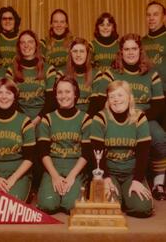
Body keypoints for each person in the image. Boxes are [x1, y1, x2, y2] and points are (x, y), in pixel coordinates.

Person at [97, 33, 166, 200]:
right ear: (121, 52)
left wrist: (137, 117)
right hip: (116, 118)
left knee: (159, 136)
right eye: (126, 49)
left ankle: (158, 182)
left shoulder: (151, 74)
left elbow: (159, 104)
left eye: (134, 48)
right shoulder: (111, 73)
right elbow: (100, 102)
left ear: (140, 51)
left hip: (144, 118)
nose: (130, 52)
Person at [90, 80, 153, 218]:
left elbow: (144, 153)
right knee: (108, 208)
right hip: (110, 173)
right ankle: (120, 199)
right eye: (112, 96)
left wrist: (137, 180)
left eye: (120, 95)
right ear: (108, 100)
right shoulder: (100, 118)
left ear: (129, 97)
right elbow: (96, 154)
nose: (116, 100)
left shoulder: (139, 117)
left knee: (142, 208)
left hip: (131, 173)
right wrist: (105, 178)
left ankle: (126, 198)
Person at [37, 76, 91, 214]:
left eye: (67, 92)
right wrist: (55, 176)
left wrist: (72, 176)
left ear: (75, 94)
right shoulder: (47, 119)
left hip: (75, 166)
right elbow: (43, 153)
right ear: (55, 95)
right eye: (60, 92)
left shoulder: (85, 119)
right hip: (53, 166)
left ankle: (70, 193)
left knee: (71, 206)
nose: (63, 96)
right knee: (48, 205)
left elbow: (86, 154)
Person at [0, 78, 35, 201]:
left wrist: (13, 179)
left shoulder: (24, 121)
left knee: (10, 203)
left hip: (18, 174)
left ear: (15, 96)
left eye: (8, 93)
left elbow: (29, 158)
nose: (4, 97)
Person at [6, 29, 57, 127]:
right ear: (18, 47)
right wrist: (24, 120)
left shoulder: (48, 69)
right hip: (19, 119)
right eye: (22, 42)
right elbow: (10, 100)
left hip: (43, 119)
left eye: (30, 42)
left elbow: (51, 101)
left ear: (36, 45)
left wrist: (37, 119)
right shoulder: (11, 70)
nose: (26, 45)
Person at [58, 37, 103, 116]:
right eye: (75, 51)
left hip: (89, 117)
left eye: (82, 51)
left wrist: (85, 121)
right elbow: (58, 102)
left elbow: (96, 104)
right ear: (70, 54)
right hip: (68, 117)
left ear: (87, 54)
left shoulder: (96, 74)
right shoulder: (61, 73)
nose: (78, 55)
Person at [142, 1, 166, 130]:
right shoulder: (141, 41)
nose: (151, 18)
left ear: (164, 17)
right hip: (148, 97)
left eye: (155, 14)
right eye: (148, 15)